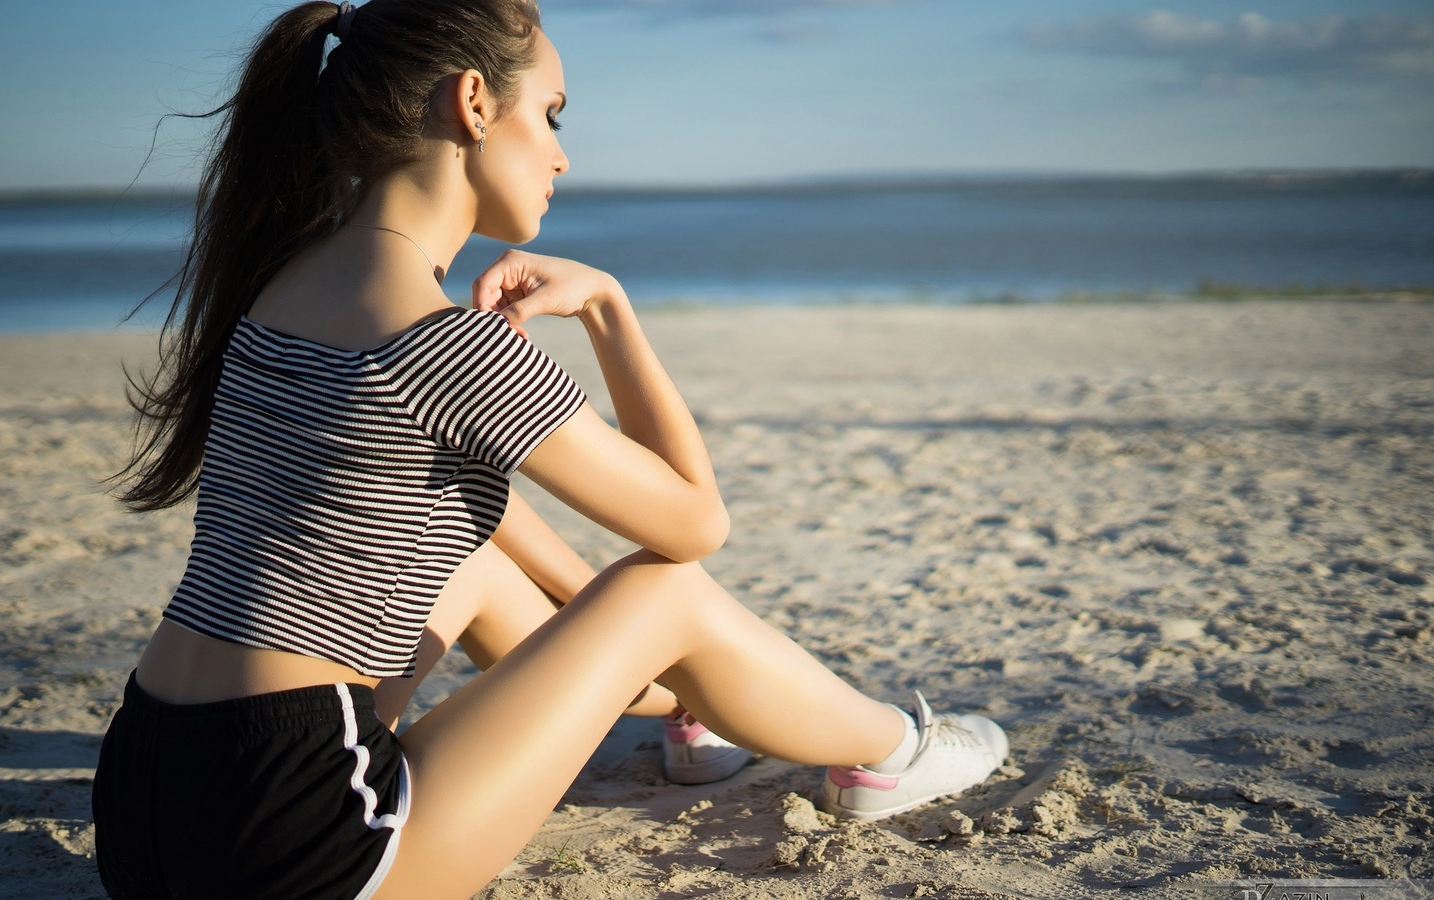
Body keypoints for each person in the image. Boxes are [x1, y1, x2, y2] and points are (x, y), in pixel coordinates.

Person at [90, 1, 1010, 897]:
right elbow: (693, 524)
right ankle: (897, 752)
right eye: (551, 114)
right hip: (294, 839)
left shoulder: (282, 284)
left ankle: (690, 709)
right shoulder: (441, 340)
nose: (563, 154)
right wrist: (609, 307)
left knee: (479, 568)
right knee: (664, 591)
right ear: (475, 103)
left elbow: (465, 523)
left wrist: (643, 669)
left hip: (141, 800)